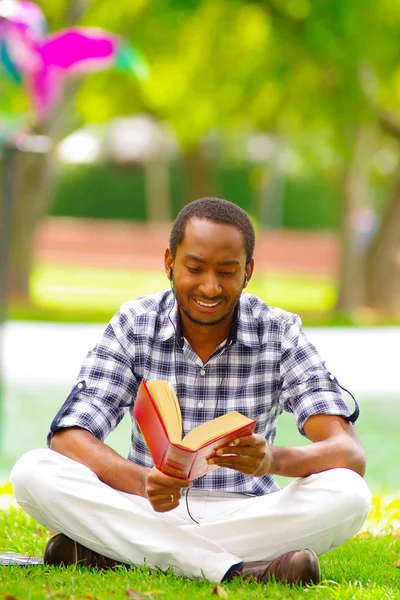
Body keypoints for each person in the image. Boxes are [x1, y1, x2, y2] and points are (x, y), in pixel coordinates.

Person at [11, 197, 371, 586]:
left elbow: (348, 453)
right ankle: (242, 569)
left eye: (227, 271)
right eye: (195, 268)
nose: (210, 286)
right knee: (34, 471)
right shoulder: (135, 323)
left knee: (348, 493)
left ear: (248, 271)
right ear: (169, 263)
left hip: (248, 514)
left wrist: (273, 460)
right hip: (146, 505)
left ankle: (122, 553)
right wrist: (141, 481)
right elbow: (69, 438)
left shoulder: (280, 332)